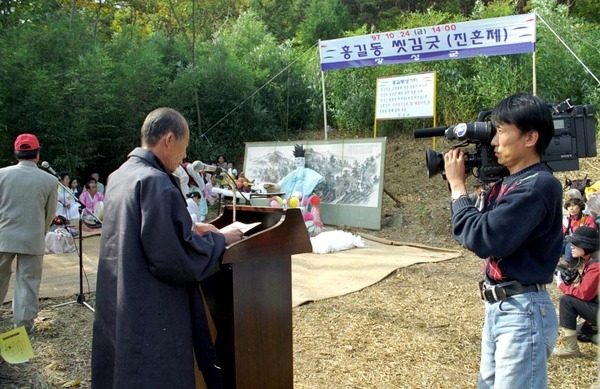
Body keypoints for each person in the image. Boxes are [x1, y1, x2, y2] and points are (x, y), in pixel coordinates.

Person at [91, 107, 244, 388]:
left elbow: (137, 230)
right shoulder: (155, 182)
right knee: (153, 371)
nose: (183, 158)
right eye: (183, 149)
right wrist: (221, 239)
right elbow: (175, 258)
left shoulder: (121, 175)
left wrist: (189, 228)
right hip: (150, 305)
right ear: (169, 139)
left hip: (122, 295)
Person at [444, 93, 562, 388]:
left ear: (530, 137)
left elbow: (485, 237)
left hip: (523, 312)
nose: (494, 142)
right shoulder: (510, 184)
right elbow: (476, 228)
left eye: (501, 131)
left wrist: (458, 187)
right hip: (503, 307)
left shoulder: (538, 186)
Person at [0, 134, 58, 334]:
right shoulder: (49, 180)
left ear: (16, 153)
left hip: (2, 236)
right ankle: (23, 326)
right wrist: (40, 231)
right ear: (37, 153)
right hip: (32, 237)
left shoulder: (1, 175)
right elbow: (49, 214)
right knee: (28, 282)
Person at [553, 226, 599, 357]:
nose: (571, 246)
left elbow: (583, 294)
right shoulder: (591, 260)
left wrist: (562, 285)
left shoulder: (596, 265)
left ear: (586, 246)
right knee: (581, 332)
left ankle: (571, 349)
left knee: (567, 301)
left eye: (576, 244)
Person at [562, 197, 597, 267]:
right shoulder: (567, 219)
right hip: (569, 239)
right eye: (569, 206)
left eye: (573, 206)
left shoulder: (587, 219)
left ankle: (567, 262)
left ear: (580, 207)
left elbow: (590, 233)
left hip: (582, 242)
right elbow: (562, 232)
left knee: (571, 243)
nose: (571, 209)